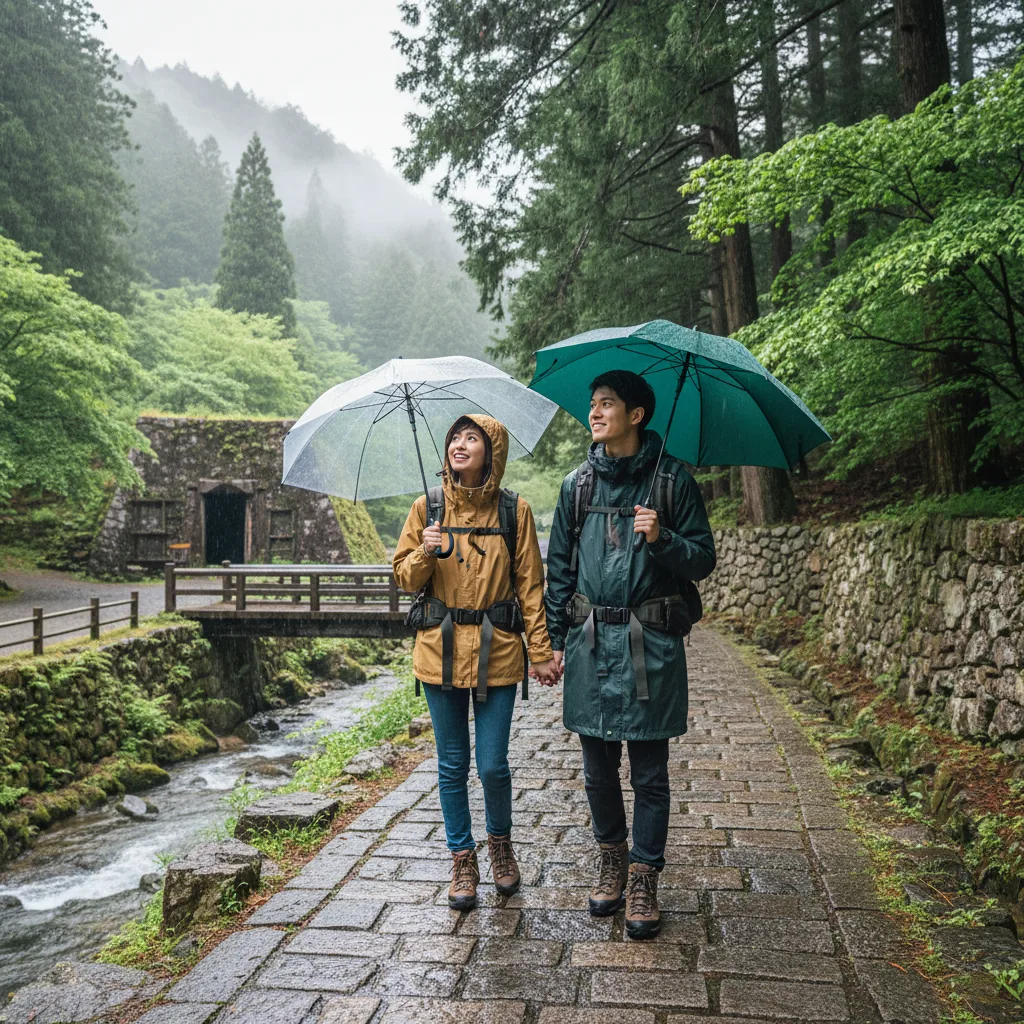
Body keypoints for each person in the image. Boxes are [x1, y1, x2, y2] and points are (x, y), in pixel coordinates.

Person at [544, 370, 716, 939]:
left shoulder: (673, 482)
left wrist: (661, 538)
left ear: (636, 415)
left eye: (607, 404)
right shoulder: (577, 486)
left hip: (652, 644)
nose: (594, 413)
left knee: (649, 772)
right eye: (592, 404)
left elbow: (702, 560)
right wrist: (551, 640)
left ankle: (645, 875)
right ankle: (612, 858)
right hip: (592, 643)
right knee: (596, 771)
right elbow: (561, 570)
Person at [394, 414, 559, 912]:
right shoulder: (428, 508)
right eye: (455, 438)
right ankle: (462, 857)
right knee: (451, 764)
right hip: (438, 652)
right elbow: (403, 577)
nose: (460, 445)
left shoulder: (515, 511)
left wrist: (542, 651)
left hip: (499, 652)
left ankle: (501, 847)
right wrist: (426, 552)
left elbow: (531, 586)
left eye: (472, 439)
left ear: (493, 452)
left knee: (492, 765)